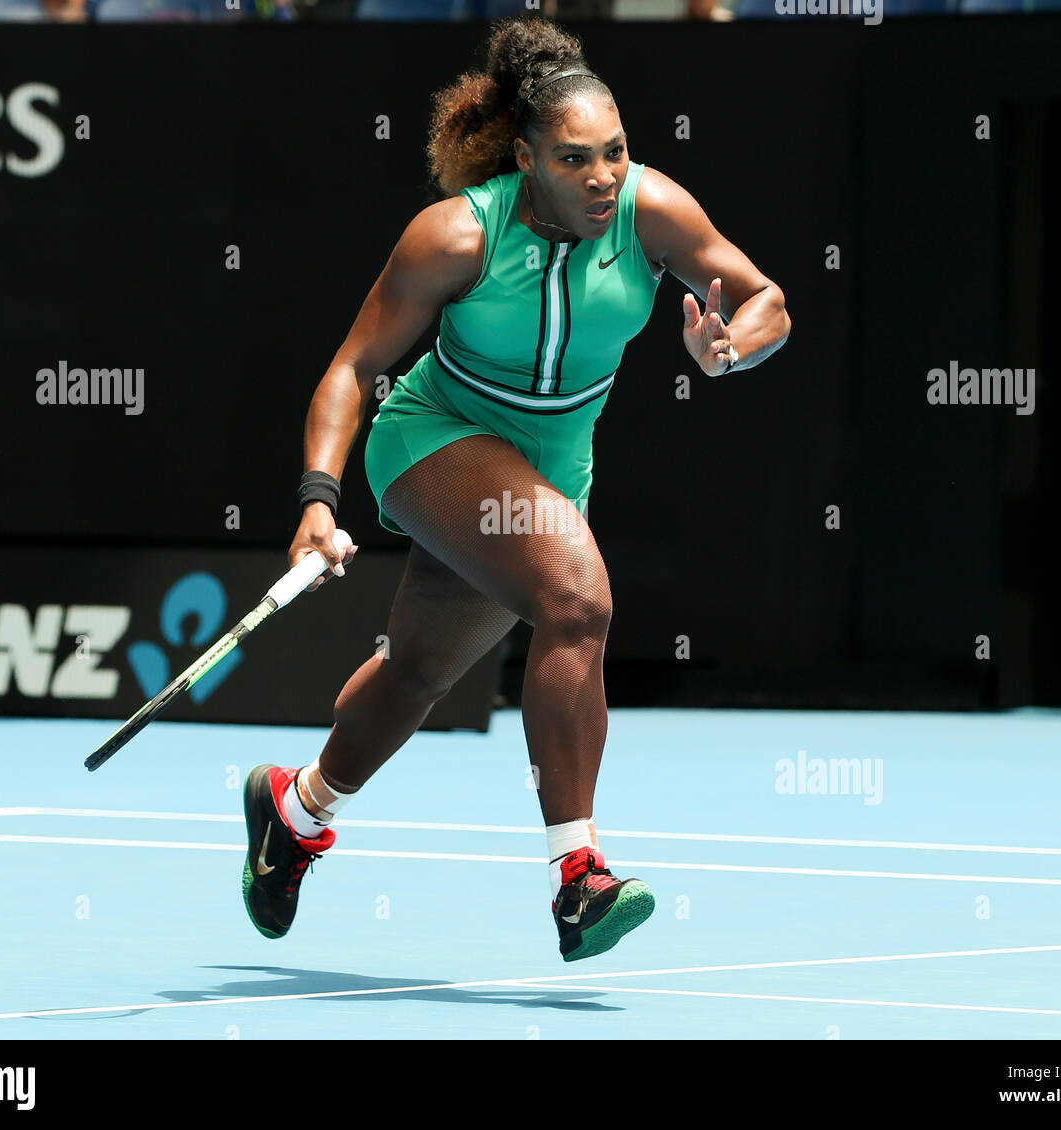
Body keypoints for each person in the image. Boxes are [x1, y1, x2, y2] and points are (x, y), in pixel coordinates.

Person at [241, 14, 790, 962]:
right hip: (434, 441)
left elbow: (765, 295)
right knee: (577, 600)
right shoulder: (456, 237)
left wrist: (731, 348)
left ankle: (294, 808)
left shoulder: (651, 211)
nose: (603, 177)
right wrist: (317, 502)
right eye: (575, 159)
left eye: (616, 152)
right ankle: (577, 877)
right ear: (526, 158)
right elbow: (350, 369)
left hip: (546, 474)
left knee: (418, 673)